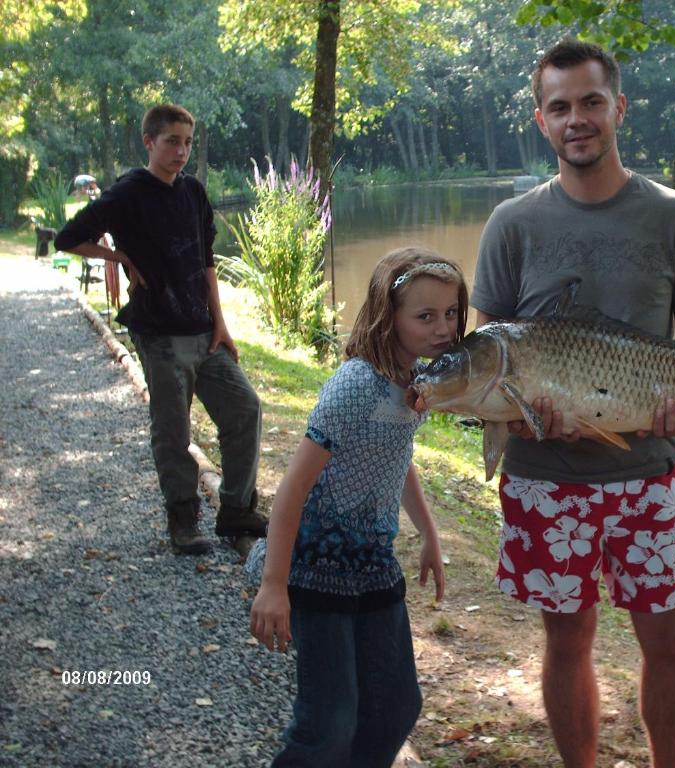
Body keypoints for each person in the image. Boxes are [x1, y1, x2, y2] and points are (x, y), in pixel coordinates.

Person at [470, 38, 675, 768]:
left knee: (669, 640)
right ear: (542, 121)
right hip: (546, 475)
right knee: (566, 637)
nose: (576, 118)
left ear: (618, 108)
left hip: (649, 469)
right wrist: (515, 413)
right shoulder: (512, 223)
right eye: (559, 106)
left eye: (590, 102)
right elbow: (488, 357)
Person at [247, 247, 465, 766]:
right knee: (329, 722)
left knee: (395, 706)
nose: (444, 328)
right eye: (425, 316)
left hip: (371, 568)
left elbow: (396, 457)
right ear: (388, 316)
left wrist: (430, 534)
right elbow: (293, 489)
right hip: (316, 570)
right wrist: (274, 584)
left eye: (452, 313)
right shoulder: (354, 386)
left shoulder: (415, 385)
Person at [55, 103, 265, 554]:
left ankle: (236, 510)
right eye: (172, 141)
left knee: (244, 408)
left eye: (188, 142)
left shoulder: (192, 192)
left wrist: (222, 323)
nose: (181, 151)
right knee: (173, 431)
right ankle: (184, 519)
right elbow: (68, 238)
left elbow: (206, 261)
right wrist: (121, 258)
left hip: (205, 331)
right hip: (160, 334)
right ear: (149, 142)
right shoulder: (127, 193)